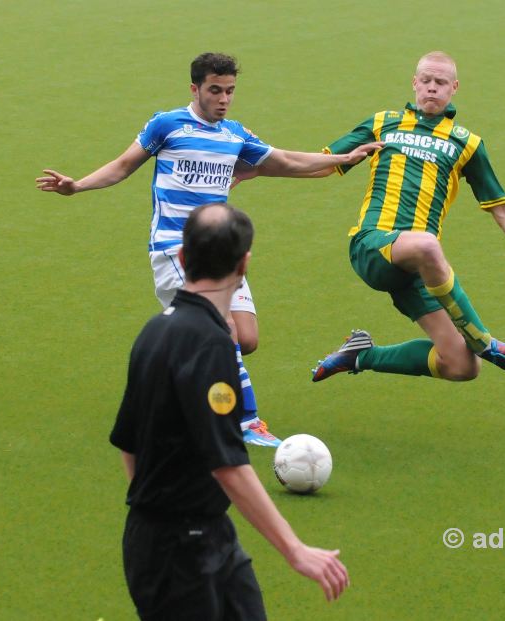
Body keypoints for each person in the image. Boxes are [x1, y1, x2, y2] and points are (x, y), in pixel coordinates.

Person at [37, 52, 380, 446]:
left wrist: (343, 158)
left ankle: (165, 377)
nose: (223, 99)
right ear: (195, 89)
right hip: (175, 247)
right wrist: (77, 185)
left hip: (221, 251)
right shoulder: (167, 125)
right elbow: (122, 165)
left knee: (245, 338)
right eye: (215, 90)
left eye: (230, 91)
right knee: (224, 328)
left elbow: (283, 160)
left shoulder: (235, 135)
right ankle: (246, 420)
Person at [244, 51, 505, 382]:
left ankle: (360, 355)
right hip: (372, 245)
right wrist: (261, 165)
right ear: (414, 83)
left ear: (453, 88)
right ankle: (487, 343)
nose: (431, 88)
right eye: (425, 81)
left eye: (440, 83)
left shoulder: (466, 144)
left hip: (418, 269)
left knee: (462, 366)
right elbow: (325, 163)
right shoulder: (383, 123)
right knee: (427, 245)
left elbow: (500, 207)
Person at [109, 203, 349, 620]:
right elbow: (228, 465)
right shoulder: (212, 343)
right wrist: (295, 550)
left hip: (202, 535)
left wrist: (150, 510)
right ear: (244, 265)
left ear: (182, 258)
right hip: (178, 552)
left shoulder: (153, 330)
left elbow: (128, 443)